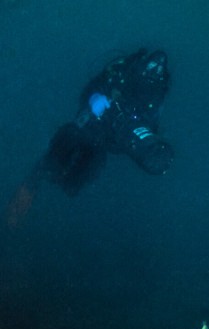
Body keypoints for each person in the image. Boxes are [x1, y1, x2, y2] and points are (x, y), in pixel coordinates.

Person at [6, 48, 174, 228]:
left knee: (73, 184)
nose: (153, 71)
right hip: (88, 126)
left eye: (158, 70)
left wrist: (144, 141)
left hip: (107, 142)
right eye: (151, 65)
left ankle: (49, 197)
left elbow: (151, 123)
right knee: (55, 155)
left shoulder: (157, 92)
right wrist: (95, 98)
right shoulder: (121, 72)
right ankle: (26, 192)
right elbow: (92, 87)